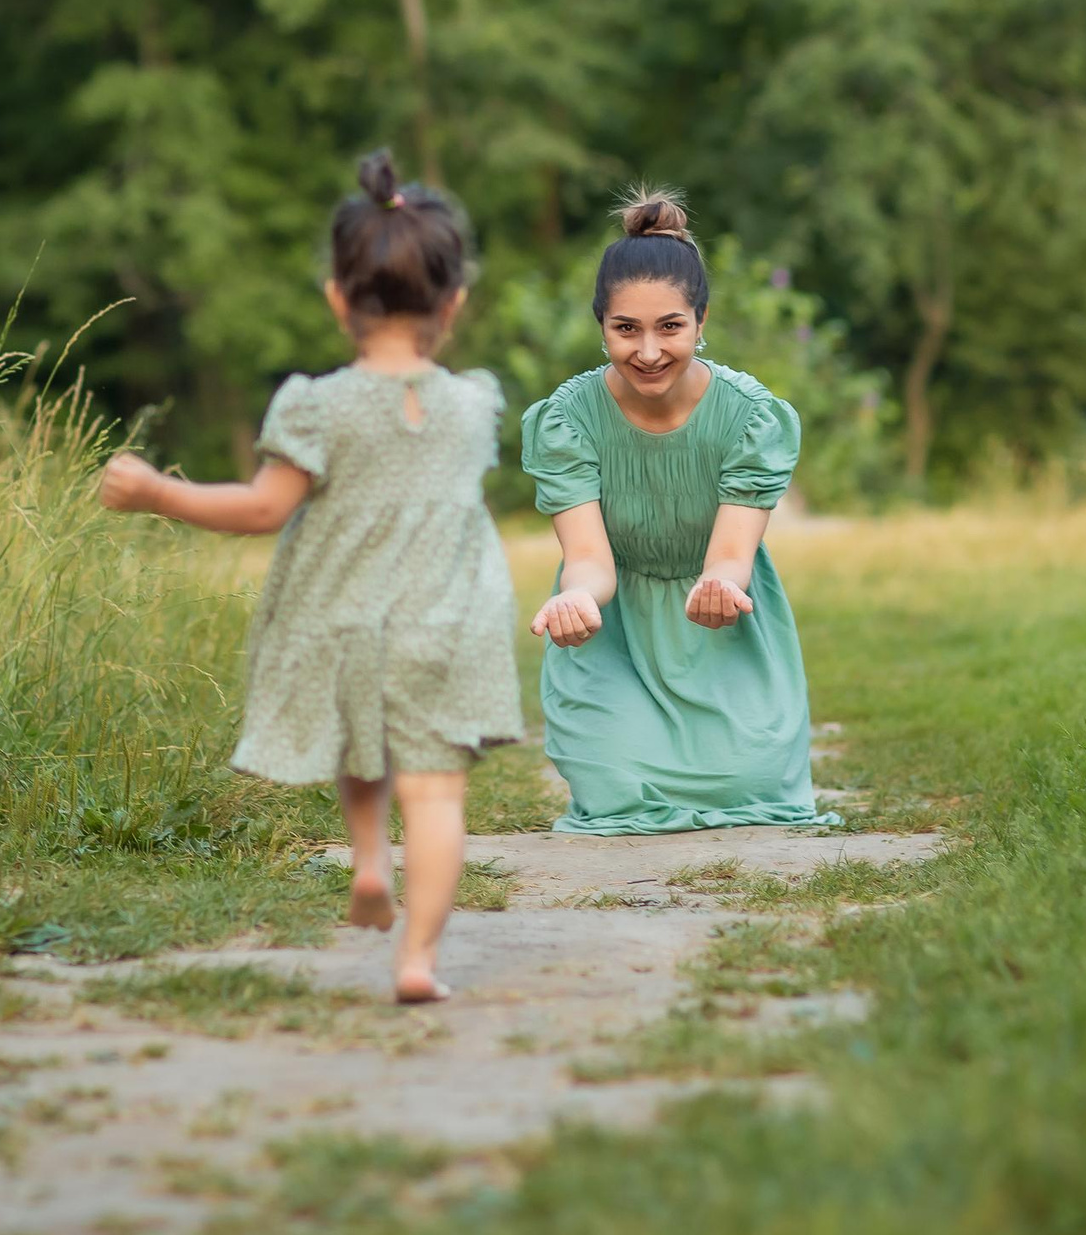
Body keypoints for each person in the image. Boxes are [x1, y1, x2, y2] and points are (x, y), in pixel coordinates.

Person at [98, 150, 522, 1003]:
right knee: (436, 798)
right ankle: (417, 961)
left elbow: (262, 509)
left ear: (337, 296)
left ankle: (369, 861)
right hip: (446, 626)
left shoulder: (313, 405)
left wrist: (156, 493)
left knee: (357, 748)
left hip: (346, 619)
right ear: (456, 300)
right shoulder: (476, 404)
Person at [521, 190, 838, 835]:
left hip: (717, 623)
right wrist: (576, 602)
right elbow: (588, 561)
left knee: (746, 783)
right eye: (625, 329)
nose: (647, 351)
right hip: (614, 635)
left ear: (701, 320)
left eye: (670, 327)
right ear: (601, 325)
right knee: (614, 788)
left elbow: (730, 556)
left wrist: (721, 584)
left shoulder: (752, 417)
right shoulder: (566, 421)